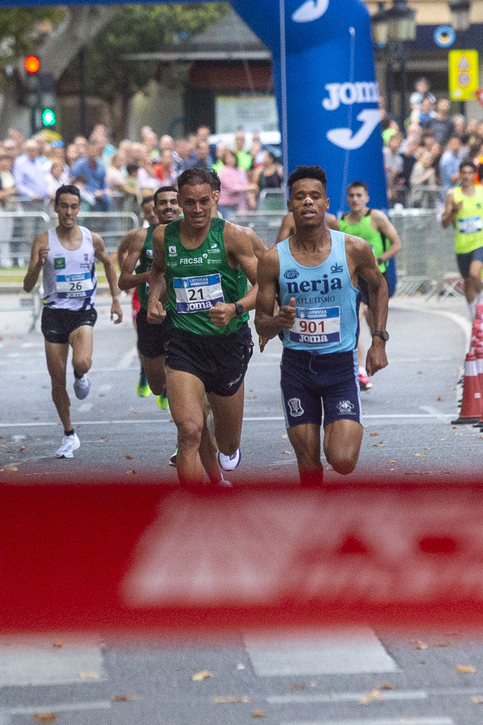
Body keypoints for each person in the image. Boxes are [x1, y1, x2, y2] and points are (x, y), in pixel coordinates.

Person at [255, 165, 388, 486]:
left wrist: (379, 339)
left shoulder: (353, 249)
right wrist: (278, 321)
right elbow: (261, 324)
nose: (308, 203)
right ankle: (315, 526)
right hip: (297, 369)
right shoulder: (273, 259)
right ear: (289, 205)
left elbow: (379, 285)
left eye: (315, 196)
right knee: (308, 461)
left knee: (341, 460)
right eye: (300, 197)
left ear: (327, 203)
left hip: (339, 367)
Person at [146, 167, 260, 487]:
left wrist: (236, 307)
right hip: (184, 341)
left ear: (215, 197)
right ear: (179, 200)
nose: (196, 210)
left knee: (226, 443)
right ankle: (196, 511)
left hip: (228, 342)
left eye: (202, 202)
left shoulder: (233, 235)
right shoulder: (163, 236)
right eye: (189, 202)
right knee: (189, 431)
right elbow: (157, 272)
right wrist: (155, 298)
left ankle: (222, 460)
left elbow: (262, 285)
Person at [23, 185, 123, 458]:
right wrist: (37, 265)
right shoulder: (43, 241)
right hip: (54, 313)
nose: (68, 212)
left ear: (79, 209)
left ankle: (81, 374)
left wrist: (115, 299)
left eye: (73, 206)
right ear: (55, 207)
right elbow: (28, 285)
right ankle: (69, 434)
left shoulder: (93, 239)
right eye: (64, 206)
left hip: (82, 312)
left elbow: (109, 263)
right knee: (57, 381)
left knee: (81, 362)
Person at [118, 186, 179, 410]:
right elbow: (123, 281)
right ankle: (150, 378)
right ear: (155, 208)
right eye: (162, 203)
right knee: (157, 385)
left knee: (183, 380)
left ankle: (187, 438)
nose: (168, 207)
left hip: (183, 317)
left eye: (174, 202)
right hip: (150, 317)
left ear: (180, 205)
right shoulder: (141, 237)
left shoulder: (190, 234)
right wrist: (149, 276)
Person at [337, 180, 401, 391]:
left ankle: (375, 352)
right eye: (351, 196)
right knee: (356, 318)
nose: (355, 199)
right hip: (355, 281)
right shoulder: (342, 223)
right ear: (347, 198)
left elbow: (396, 243)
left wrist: (380, 260)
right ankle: (360, 372)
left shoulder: (375, 217)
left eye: (359, 195)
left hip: (376, 280)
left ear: (367, 198)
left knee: (376, 328)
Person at [441, 159, 483, 320]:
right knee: (466, 282)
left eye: (470, 173)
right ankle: (473, 313)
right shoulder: (452, 194)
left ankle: (480, 300)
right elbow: (444, 223)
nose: (466, 176)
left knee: (474, 273)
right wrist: (453, 211)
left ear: (475, 175)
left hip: (482, 240)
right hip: (462, 244)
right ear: (459, 175)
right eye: (463, 173)